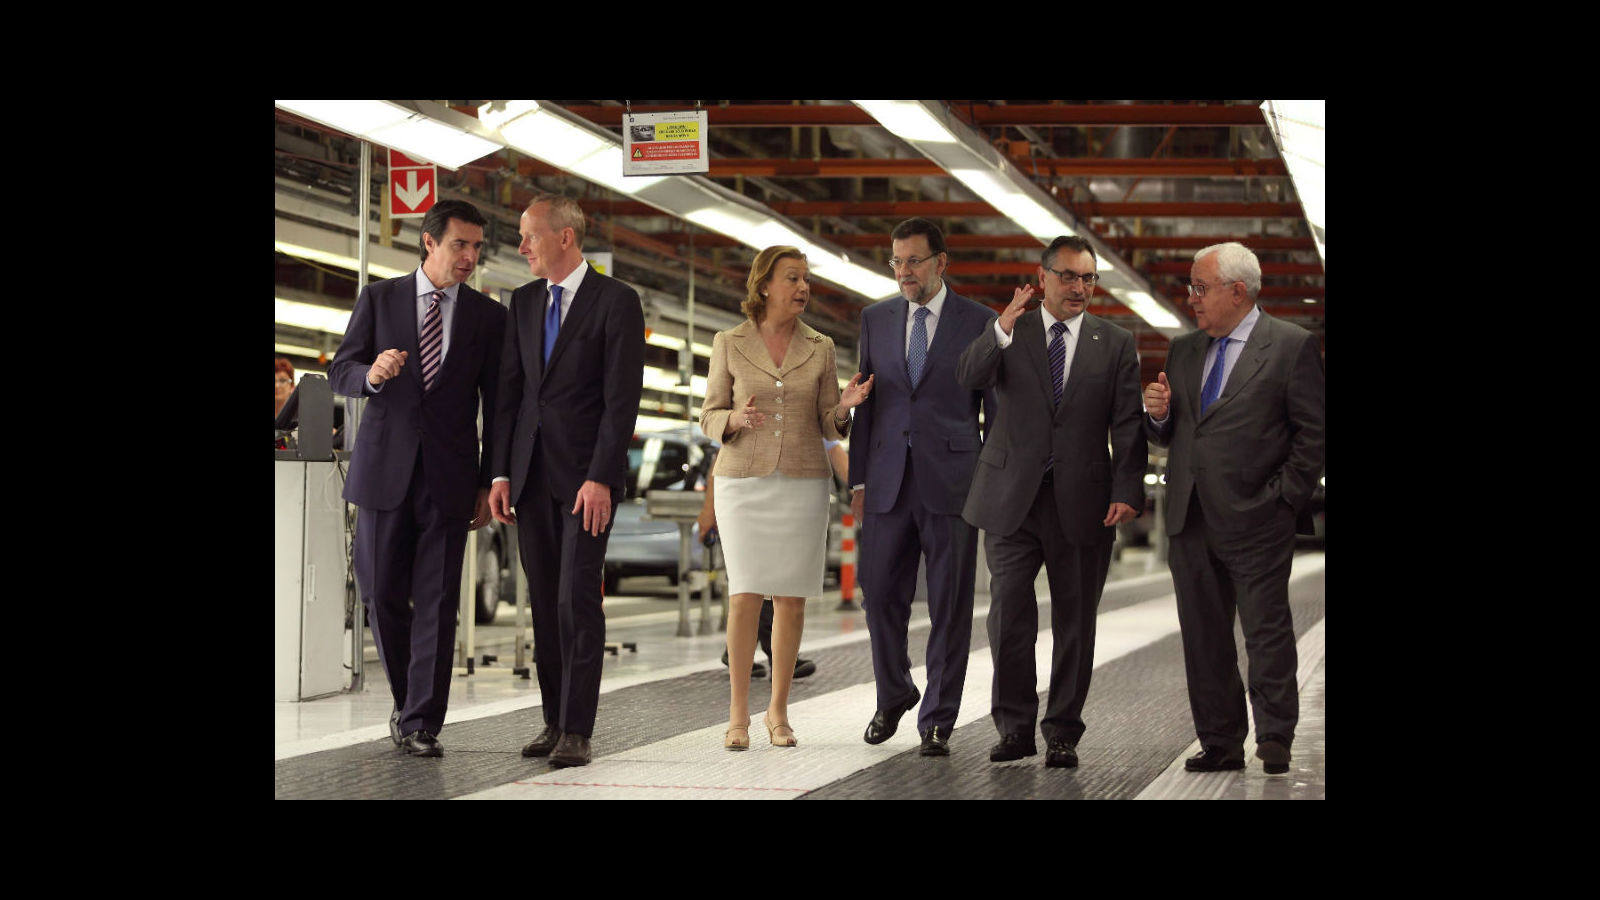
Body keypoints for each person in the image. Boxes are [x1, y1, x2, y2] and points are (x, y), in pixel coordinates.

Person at [957, 235, 1146, 768]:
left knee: (1076, 621)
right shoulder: (1011, 331)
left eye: (1088, 278)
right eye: (1068, 276)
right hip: (1011, 498)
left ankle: (1062, 729)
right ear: (1041, 279)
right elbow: (966, 378)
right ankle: (1014, 728)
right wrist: (1001, 326)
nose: (1080, 288)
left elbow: (1128, 423)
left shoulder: (1114, 342)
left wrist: (1127, 491)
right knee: (1008, 616)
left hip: (1084, 502)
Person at [326, 198, 505, 758]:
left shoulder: (486, 316)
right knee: (380, 594)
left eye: (477, 247)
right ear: (429, 242)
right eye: (460, 245)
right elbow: (341, 368)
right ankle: (408, 704)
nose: (470, 257)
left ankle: (424, 720)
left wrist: (487, 479)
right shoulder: (379, 299)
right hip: (383, 473)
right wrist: (371, 375)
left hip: (450, 479)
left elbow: (496, 405)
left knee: (437, 599)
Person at [1142, 241, 1325, 776]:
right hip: (1190, 517)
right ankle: (1220, 741)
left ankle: (1274, 736)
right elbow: (1172, 433)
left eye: (1200, 287)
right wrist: (1156, 416)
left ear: (1236, 291)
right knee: (1203, 637)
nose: (1191, 298)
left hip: (1258, 519)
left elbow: (1313, 434)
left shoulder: (1290, 347)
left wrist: (1283, 499)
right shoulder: (1184, 350)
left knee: (1265, 631)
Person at [488, 193, 645, 768]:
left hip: (585, 483)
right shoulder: (524, 302)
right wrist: (500, 471)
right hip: (529, 477)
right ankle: (553, 720)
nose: (522, 244)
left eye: (530, 234)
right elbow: (511, 394)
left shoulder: (616, 302)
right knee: (542, 602)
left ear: (565, 238)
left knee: (576, 599)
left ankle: (578, 728)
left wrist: (602, 475)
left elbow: (620, 399)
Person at [699, 245, 872, 751]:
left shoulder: (819, 346)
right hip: (742, 482)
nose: (802, 288)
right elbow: (709, 414)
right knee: (745, 593)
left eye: (806, 280)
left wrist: (843, 408)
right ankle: (737, 716)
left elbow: (826, 423)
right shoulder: (728, 343)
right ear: (765, 285)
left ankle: (778, 711)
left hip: (802, 480)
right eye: (792, 278)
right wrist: (733, 419)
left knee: (791, 598)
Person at [847, 217, 996, 757]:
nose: (904, 272)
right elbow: (866, 404)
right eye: (896, 262)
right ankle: (895, 692)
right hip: (887, 482)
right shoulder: (875, 318)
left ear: (941, 262)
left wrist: (991, 485)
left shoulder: (980, 322)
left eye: (914, 261)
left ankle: (938, 716)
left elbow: (994, 415)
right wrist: (859, 477)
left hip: (954, 483)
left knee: (950, 605)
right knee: (879, 594)